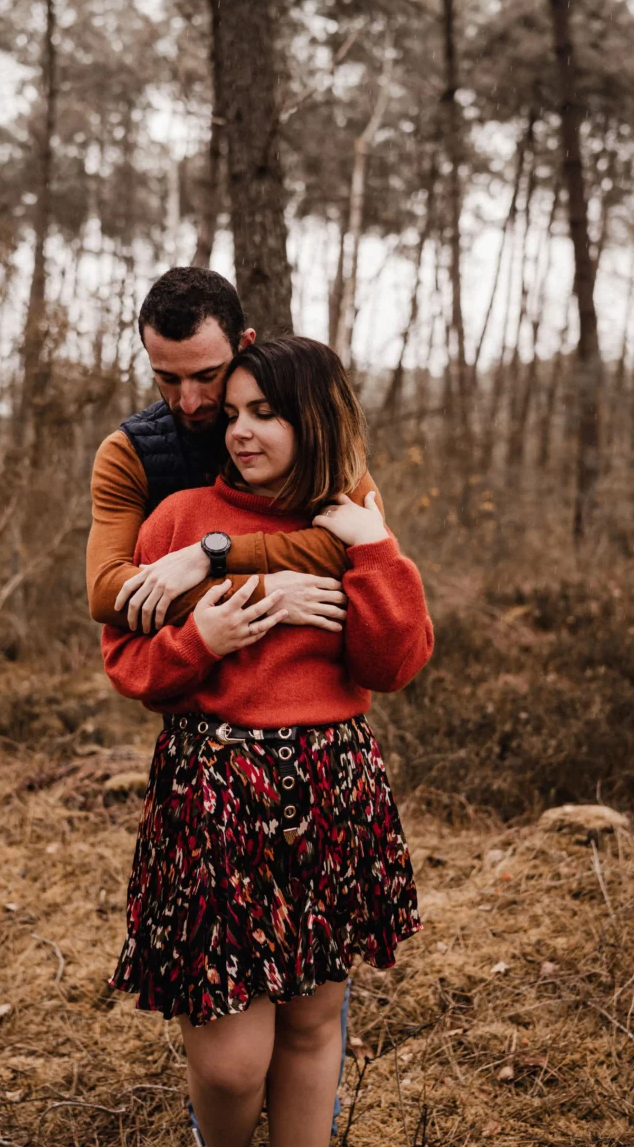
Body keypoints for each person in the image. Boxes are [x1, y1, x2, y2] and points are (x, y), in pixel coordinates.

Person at [101, 335, 433, 1147]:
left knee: (315, 1023)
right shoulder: (180, 520)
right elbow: (128, 663)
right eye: (236, 414)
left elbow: (394, 663)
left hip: (330, 791)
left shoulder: (349, 521)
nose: (242, 431)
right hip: (214, 796)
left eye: (267, 414)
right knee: (229, 1063)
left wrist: (375, 548)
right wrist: (201, 641)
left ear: (313, 420)